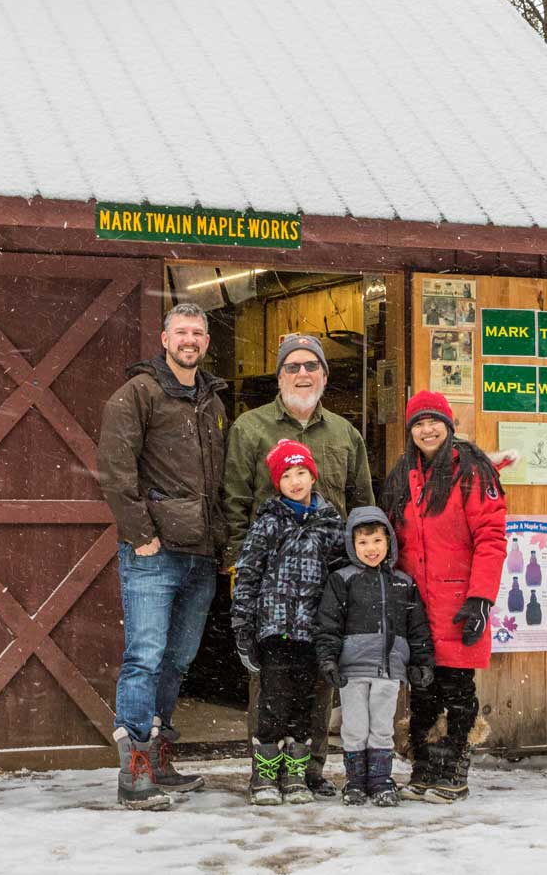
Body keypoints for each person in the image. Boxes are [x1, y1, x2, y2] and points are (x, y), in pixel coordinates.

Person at [223, 333, 373, 797]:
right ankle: (264, 772)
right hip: (271, 584)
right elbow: (234, 502)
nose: (302, 374)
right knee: (270, 681)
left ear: (325, 375)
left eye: (311, 366)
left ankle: (310, 769)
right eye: (293, 367)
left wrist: (361, 575)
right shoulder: (250, 428)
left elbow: (362, 503)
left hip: (329, 581)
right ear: (280, 375)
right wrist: (235, 569)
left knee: (320, 674)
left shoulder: (346, 434)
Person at [98, 302, 227, 811]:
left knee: (177, 660)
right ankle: (134, 773)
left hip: (201, 555)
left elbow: (218, 483)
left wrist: (221, 542)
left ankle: (160, 762)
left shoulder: (213, 403)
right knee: (145, 657)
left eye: (197, 332)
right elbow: (114, 468)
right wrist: (140, 534)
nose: (189, 340)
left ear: (206, 342)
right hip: (154, 553)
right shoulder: (138, 394)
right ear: (164, 338)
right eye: (181, 332)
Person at [380, 391, 508, 804]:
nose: (427, 429)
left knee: (456, 688)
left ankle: (453, 769)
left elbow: (491, 537)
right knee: (422, 689)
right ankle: (424, 768)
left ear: (449, 426)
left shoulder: (472, 471)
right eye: (418, 423)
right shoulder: (403, 475)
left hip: (458, 601)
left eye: (434, 421)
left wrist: (481, 598)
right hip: (415, 603)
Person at [229, 440, 344, 805]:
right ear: (277, 482)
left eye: (301, 473)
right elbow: (247, 574)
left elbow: (341, 578)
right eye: (287, 475)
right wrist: (243, 627)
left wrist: (337, 629)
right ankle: (265, 775)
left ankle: (295, 774)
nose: (295, 481)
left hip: (312, 632)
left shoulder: (330, 525)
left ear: (313, 476)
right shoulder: (267, 523)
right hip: (274, 632)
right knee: (273, 702)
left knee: (305, 705)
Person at [315, 506, 435, 807]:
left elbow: (417, 627)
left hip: (389, 670)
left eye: (378, 541)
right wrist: (328, 659)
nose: (371, 549)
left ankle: (381, 780)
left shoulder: (402, 583)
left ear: (389, 542)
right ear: (352, 545)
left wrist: (421, 662)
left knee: (382, 727)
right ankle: (355, 781)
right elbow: (328, 625)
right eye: (363, 543)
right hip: (352, 670)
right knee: (354, 727)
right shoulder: (342, 580)